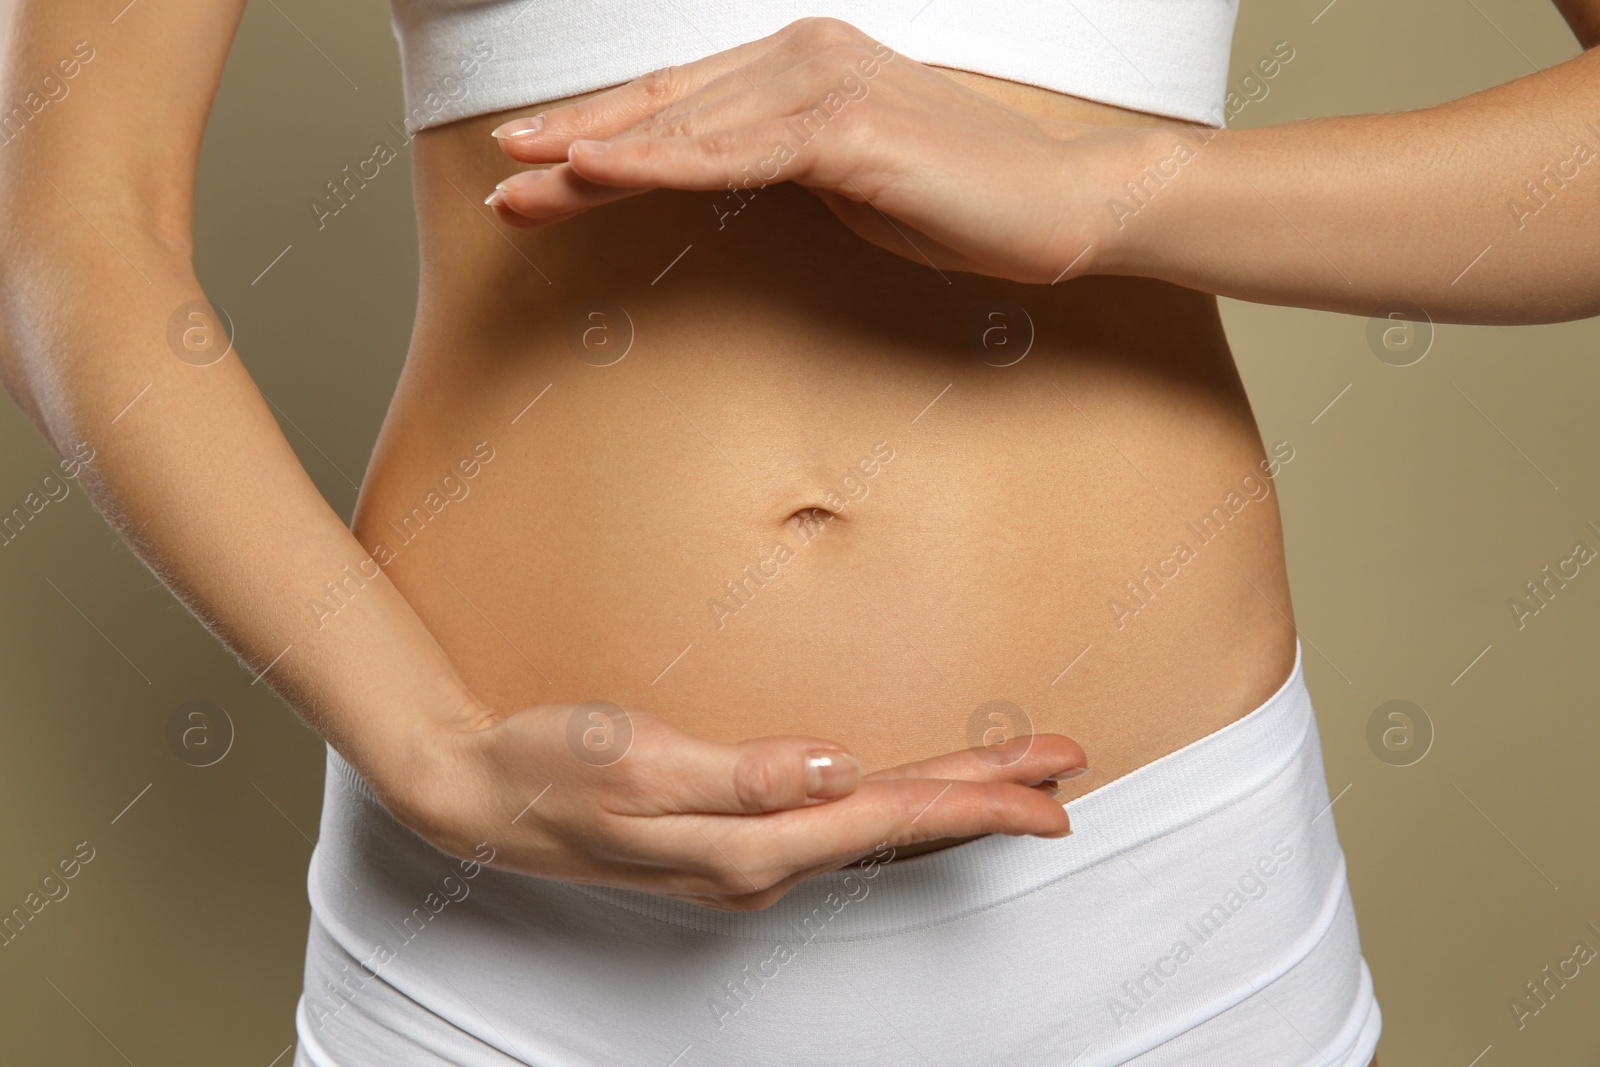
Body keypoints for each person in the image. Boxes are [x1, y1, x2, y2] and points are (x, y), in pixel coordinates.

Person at [7, 0, 1593, 1062]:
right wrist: (426, 747)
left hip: (1156, 909)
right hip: (505, 933)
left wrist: (1108, 192)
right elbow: (78, 220)